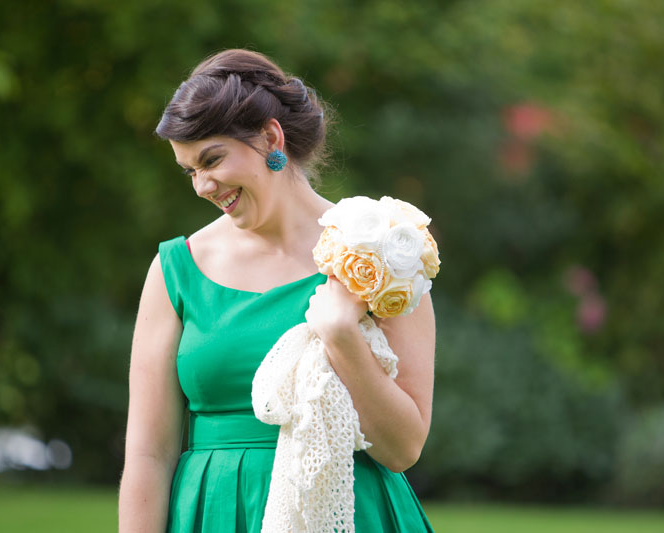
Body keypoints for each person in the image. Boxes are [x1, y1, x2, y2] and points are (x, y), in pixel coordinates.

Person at [118, 49, 436, 533]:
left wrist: (342, 337)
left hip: (355, 514)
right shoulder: (175, 270)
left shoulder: (381, 251)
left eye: (212, 160)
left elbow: (403, 448)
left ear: (270, 137)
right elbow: (149, 454)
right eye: (190, 170)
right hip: (217, 515)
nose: (202, 186)